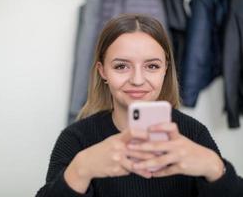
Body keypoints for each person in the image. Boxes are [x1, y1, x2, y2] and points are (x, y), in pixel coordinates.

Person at [36, 14, 242, 197]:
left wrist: (216, 169)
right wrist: (80, 170)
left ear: (165, 70)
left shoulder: (194, 134)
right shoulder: (75, 139)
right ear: (103, 71)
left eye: (152, 66)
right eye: (121, 66)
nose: (137, 80)